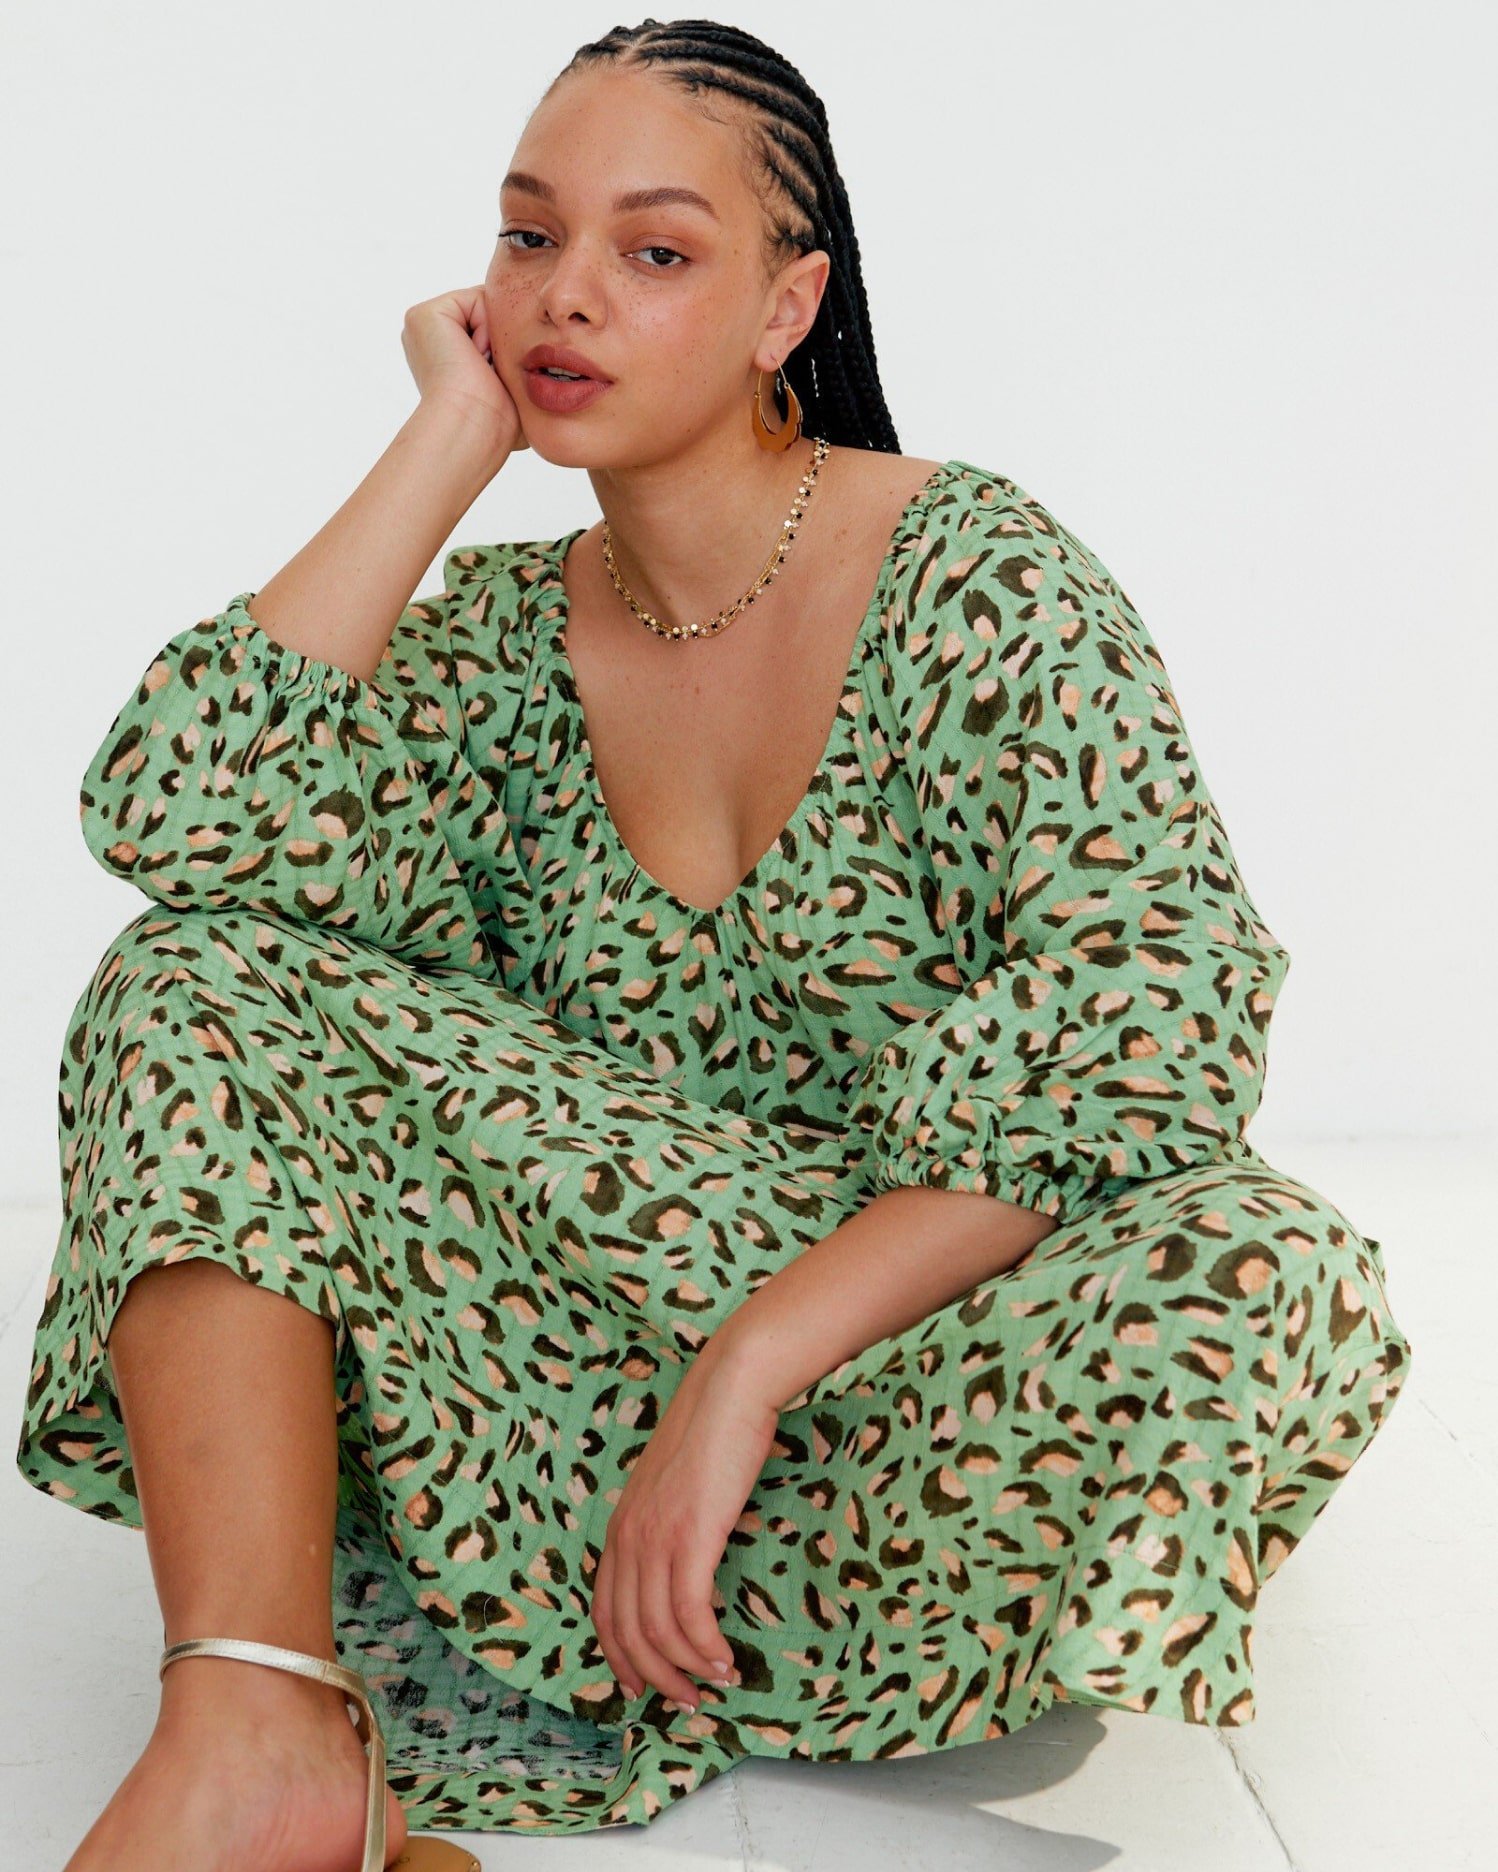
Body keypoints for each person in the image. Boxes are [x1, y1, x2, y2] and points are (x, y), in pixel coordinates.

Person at [16, 16, 1414, 1867]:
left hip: (897, 1361)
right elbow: (174, 813)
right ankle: (262, 1724)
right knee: (192, 982)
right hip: (564, 1376)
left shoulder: (973, 575)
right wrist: (444, 441)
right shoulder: (495, 640)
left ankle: (700, 1620)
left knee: (1262, 1269)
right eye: (528, 236)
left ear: (785, 306)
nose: (564, 297)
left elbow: (1147, 1023)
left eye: (655, 250)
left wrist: (745, 1370)